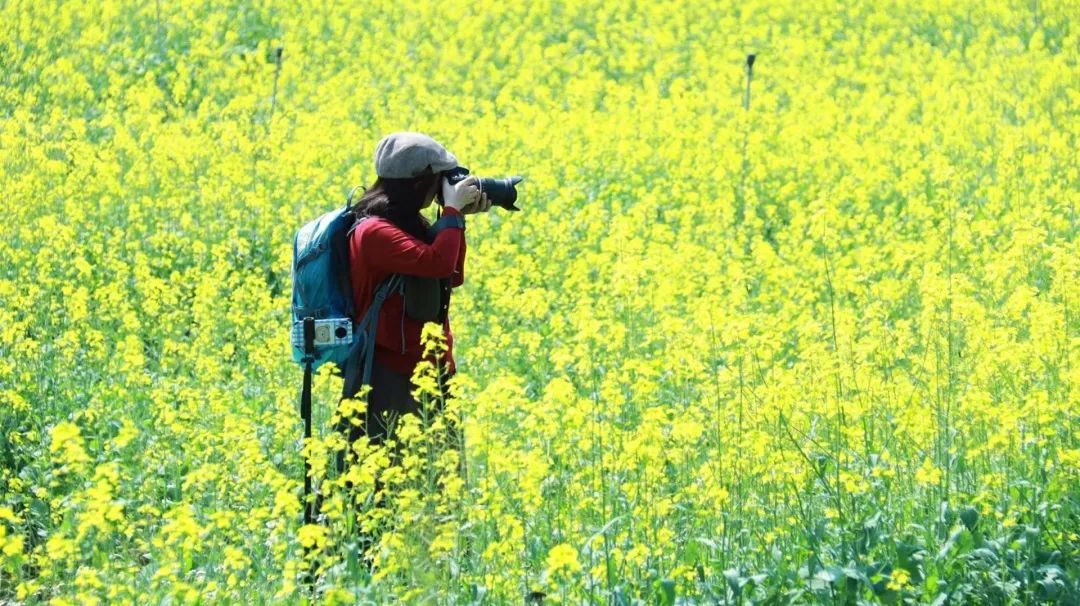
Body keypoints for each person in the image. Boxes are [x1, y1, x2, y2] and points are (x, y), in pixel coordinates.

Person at [335, 131, 490, 478]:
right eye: (440, 179)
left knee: (440, 485)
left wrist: (456, 218)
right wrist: (450, 210)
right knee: (390, 485)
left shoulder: (409, 223)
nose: (444, 185)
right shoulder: (374, 232)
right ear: (419, 182)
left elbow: (450, 274)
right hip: (391, 376)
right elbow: (435, 263)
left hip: (432, 370)